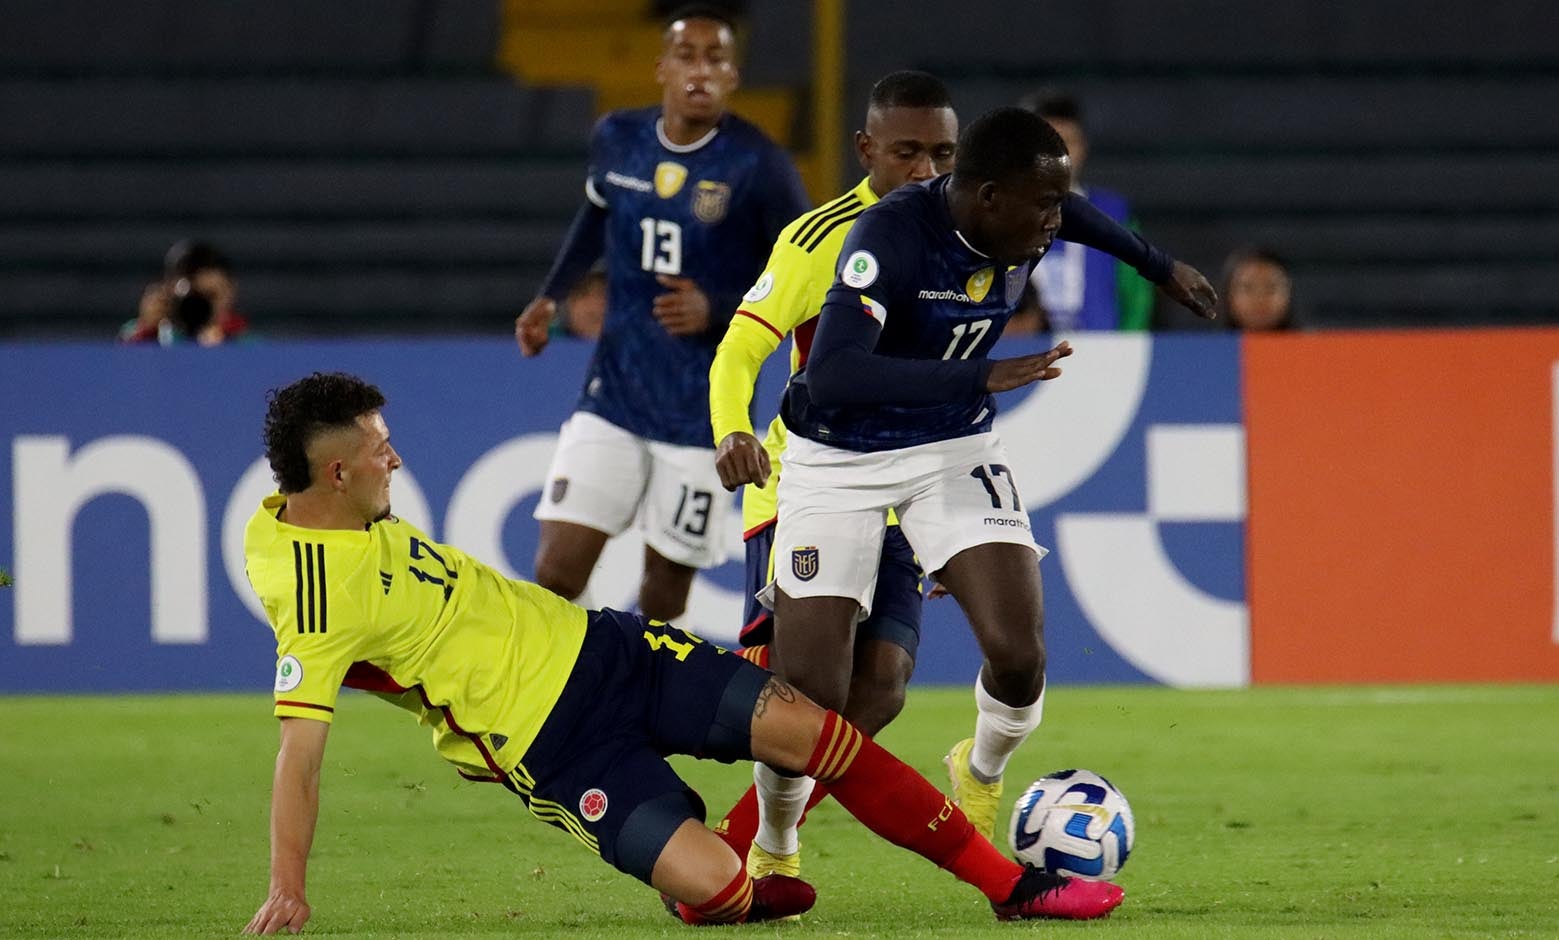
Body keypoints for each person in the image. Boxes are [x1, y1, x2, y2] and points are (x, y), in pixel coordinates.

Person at [238, 371, 1125, 934]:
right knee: (718, 894)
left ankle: (1012, 888)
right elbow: (299, 758)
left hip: (612, 650)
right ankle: (713, 866)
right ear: (336, 475)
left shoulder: (328, 517)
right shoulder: (315, 601)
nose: (395, 457)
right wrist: (287, 887)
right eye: (378, 448)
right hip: (554, 748)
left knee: (825, 735)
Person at [706, 72, 1214, 877]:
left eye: (1056, 207)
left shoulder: (1024, 216)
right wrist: (979, 376)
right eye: (1039, 210)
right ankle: (773, 849)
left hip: (949, 451)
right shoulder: (881, 240)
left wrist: (1158, 265)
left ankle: (976, 776)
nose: (1053, 227)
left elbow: (1070, 211)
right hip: (836, 460)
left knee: (1017, 653)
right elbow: (832, 374)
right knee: (811, 694)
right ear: (984, 200)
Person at [512, 4, 809, 621]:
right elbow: (596, 212)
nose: (700, 70)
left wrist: (720, 306)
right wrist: (550, 292)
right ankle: (585, 688)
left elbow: (802, 273)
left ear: (733, 75)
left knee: (663, 598)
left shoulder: (760, 166)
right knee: (555, 572)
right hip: (614, 395)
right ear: (661, 69)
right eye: (687, 55)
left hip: (703, 414)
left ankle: (643, 710)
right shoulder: (617, 136)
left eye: (716, 58)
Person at [1020, 90, 1154, 332]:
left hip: (1099, 358)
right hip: (1023, 358)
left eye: (1068, 142)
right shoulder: (1000, 216)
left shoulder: (1115, 214)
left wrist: (1126, 352)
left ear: (1083, 147)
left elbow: (1137, 298)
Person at [120, 239, 250, 346]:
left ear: (230, 292)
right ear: (168, 291)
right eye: (191, 295)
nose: (198, 305)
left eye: (211, 295)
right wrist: (146, 331)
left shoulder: (247, 345)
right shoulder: (139, 335)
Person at [1222, 246, 1297, 331]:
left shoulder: (1312, 342)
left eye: (1271, 288)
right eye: (1248, 288)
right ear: (1229, 294)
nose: (1260, 299)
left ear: (1288, 293)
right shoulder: (1208, 343)